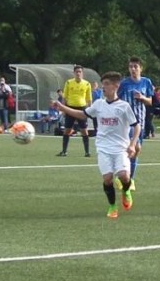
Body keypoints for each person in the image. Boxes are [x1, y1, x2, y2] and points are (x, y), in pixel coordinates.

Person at [52, 71, 139, 219]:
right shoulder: (99, 104)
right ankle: (112, 206)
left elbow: (136, 126)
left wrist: (132, 144)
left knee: (124, 176)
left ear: (116, 86)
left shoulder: (124, 106)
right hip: (103, 147)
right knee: (108, 179)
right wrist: (62, 107)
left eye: (107, 84)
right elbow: (82, 114)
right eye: (103, 84)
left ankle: (126, 191)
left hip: (120, 148)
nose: (103, 87)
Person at [118, 56, 154, 190]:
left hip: (140, 121)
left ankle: (128, 178)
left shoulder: (146, 82)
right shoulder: (124, 83)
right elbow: (116, 99)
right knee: (134, 148)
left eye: (135, 67)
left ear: (141, 68)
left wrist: (142, 97)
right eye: (130, 67)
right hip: (126, 122)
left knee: (135, 151)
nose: (133, 69)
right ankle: (126, 177)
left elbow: (150, 101)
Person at [58, 65, 92, 157]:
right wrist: (63, 109)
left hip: (82, 109)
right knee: (67, 130)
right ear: (74, 73)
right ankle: (64, 151)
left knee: (84, 130)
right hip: (70, 108)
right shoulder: (69, 83)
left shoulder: (87, 84)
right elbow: (64, 97)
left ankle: (87, 152)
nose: (78, 73)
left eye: (80, 72)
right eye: (76, 72)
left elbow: (89, 99)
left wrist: (90, 110)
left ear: (82, 73)